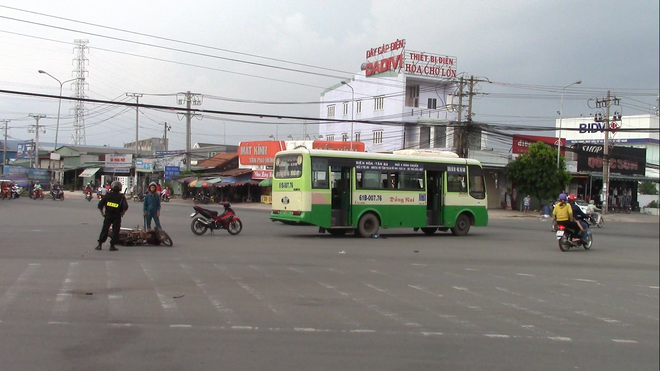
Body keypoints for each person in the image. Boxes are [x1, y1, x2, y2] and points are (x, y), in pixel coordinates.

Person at [96, 181, 128, 251]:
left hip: (108, 215)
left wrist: (102, 213)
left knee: (105, 229)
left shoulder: (108, 195)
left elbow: (100, 205)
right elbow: (125, 207)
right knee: (115, 230)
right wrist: (122, 213)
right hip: (117, 216)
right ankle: (112, 245)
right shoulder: (121, 197)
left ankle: (100, 244)